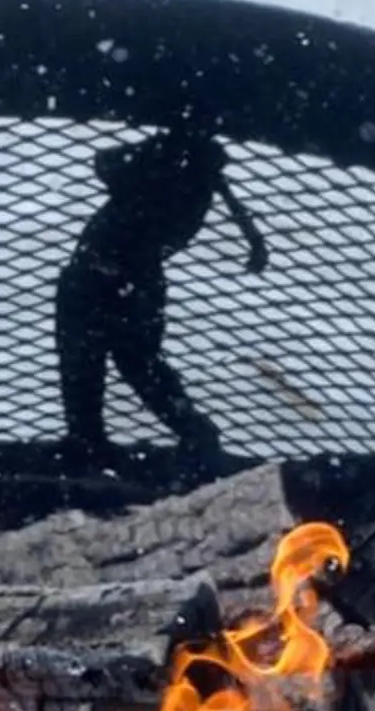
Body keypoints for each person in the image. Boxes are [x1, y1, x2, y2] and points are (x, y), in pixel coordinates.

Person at [53, 120, 267, 465]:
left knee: (125, 364)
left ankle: (191, 435)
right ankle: (89, 439)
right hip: (109, 278)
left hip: (122, 280)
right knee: (91, 364)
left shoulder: (184, 181)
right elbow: (106, 165)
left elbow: (109, 168)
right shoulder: (195, 176)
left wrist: (156, 154)